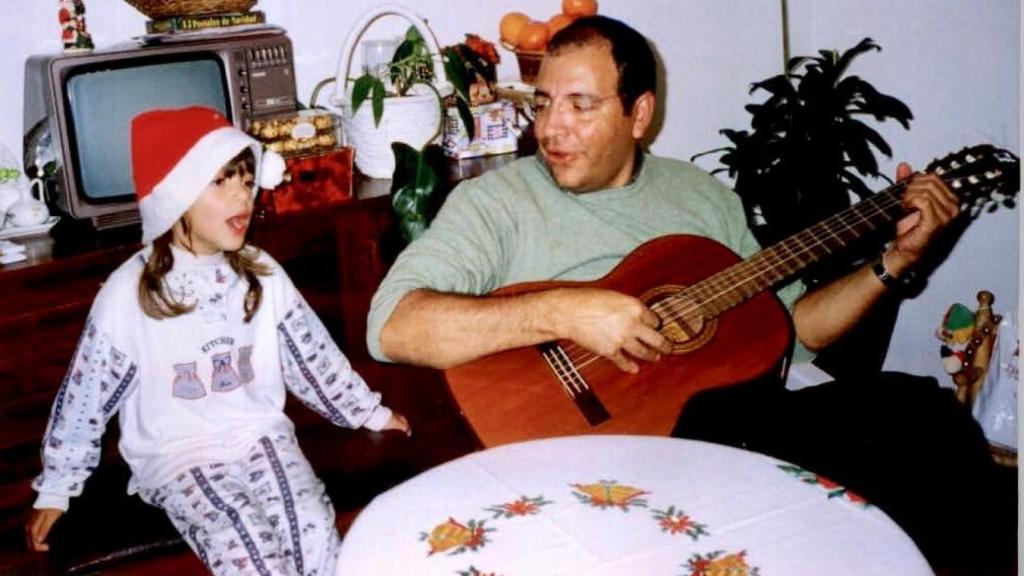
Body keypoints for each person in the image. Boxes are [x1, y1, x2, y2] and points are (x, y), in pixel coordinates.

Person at [367, 15, 1013, 575]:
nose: (550, 129)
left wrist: (896, 261)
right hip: (597, 450)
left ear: (638, 114)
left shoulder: (702, 198)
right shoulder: (496, 203)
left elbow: (796, 328)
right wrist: (567, 310)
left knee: (923, 417)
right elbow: (392, 326)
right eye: (543, 103)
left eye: (581, 106)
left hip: (725, 423)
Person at [26, 106, 410, 575]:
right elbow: (86, 397)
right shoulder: (128, 294)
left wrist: (369, 413)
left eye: (247, 181)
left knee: (315, 533)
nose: (242, 196)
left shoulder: (262, 274)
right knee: (247, 549)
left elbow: (312, 358)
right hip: (179, 458)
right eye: (222, 181)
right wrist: (57, 488)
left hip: (261, 435)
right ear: (176, 196)